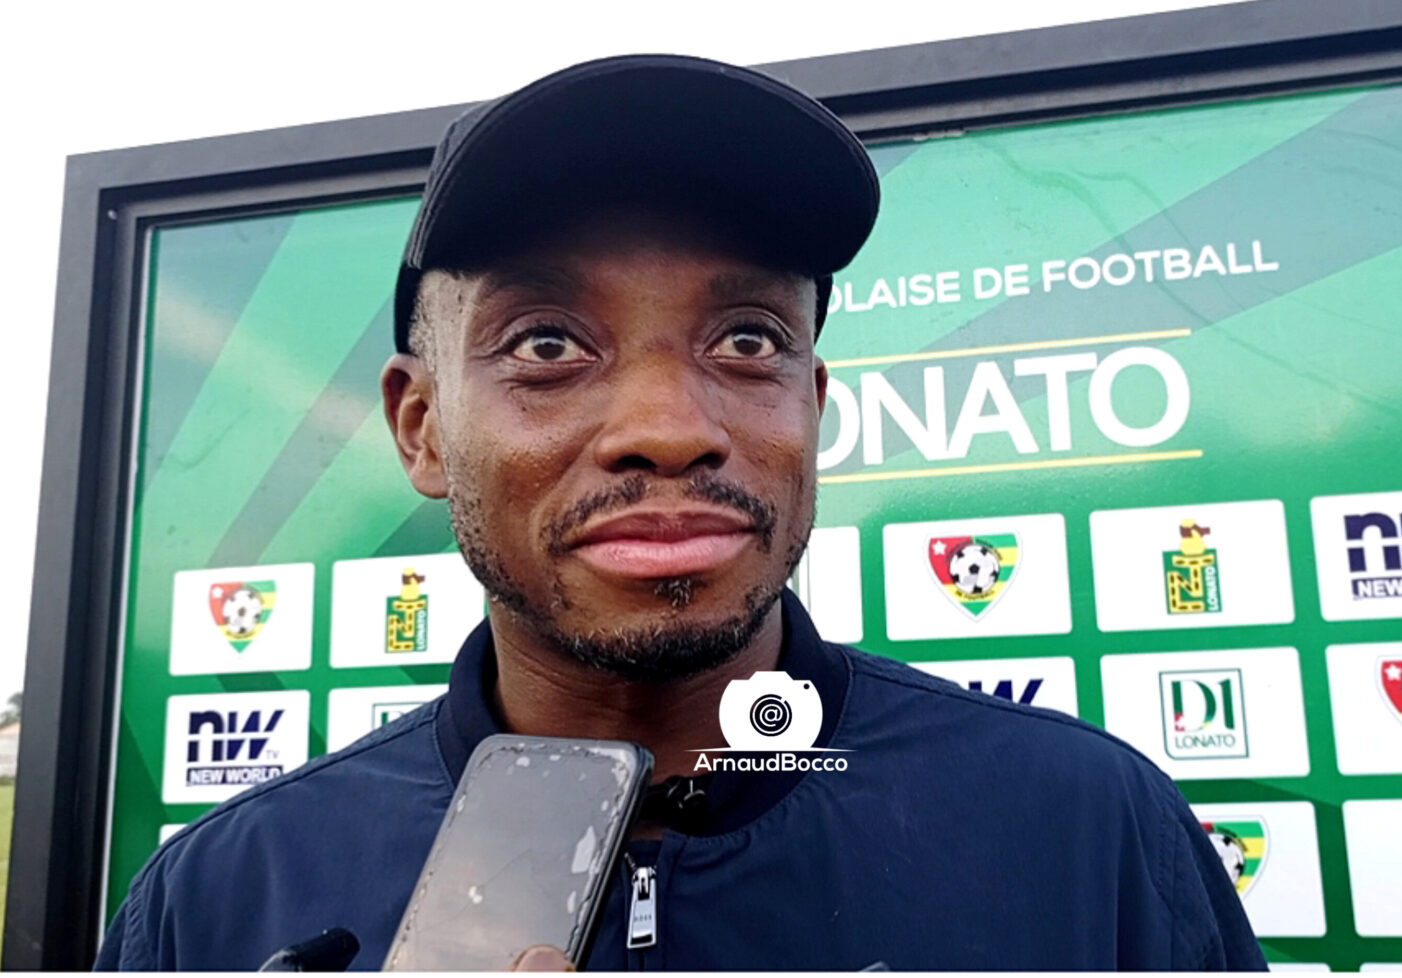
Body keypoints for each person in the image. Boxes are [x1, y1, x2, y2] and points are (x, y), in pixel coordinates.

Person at [97, 55, 1266, 971]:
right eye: (546, 345)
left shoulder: (1087, 829)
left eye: (746, 340)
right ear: (422, 429)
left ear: (810, 407)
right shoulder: (220, 898)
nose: (667, 426)